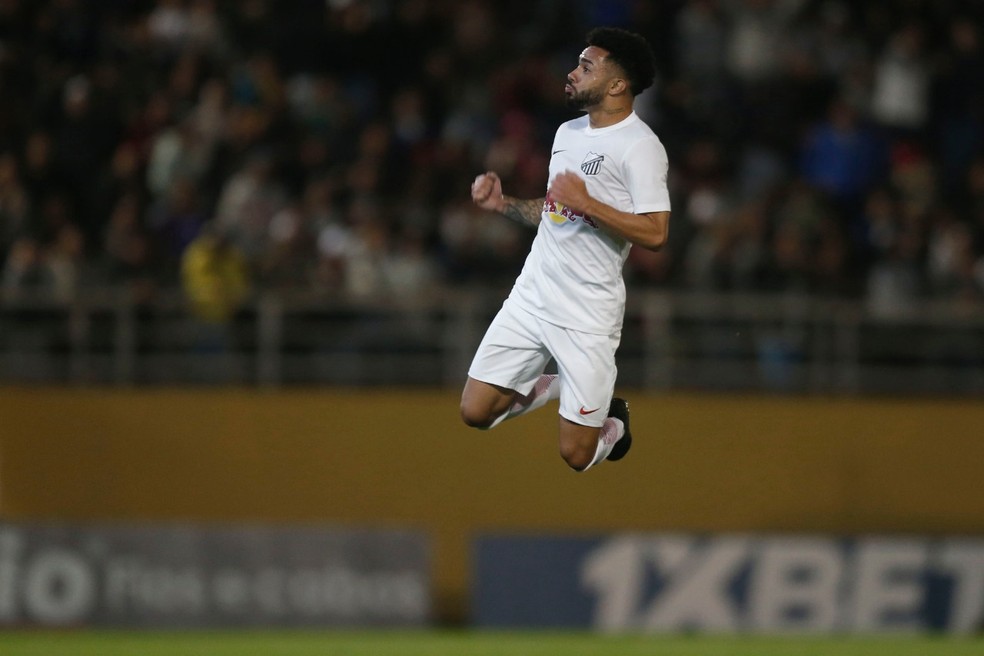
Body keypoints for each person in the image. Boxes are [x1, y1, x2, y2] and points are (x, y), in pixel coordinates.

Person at [460, 27, 671, 471]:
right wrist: (506, 204)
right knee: (475, 412)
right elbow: (556, 210)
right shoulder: (568, 132)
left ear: (617, 85)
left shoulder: (641, 147)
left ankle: (615, 422)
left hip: (587, 314)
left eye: (586, 66)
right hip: (533, 295)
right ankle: (557, 384)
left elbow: (655, 233)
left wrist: (589, 204)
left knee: (576, 455)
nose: (573, 73)